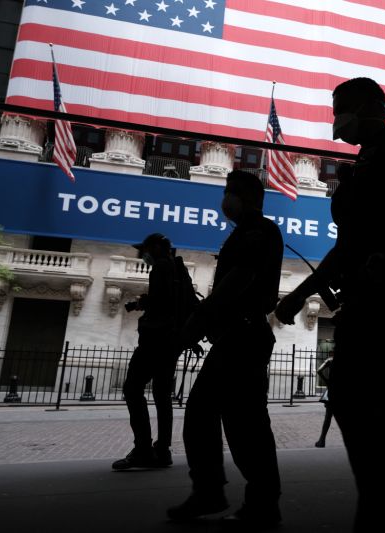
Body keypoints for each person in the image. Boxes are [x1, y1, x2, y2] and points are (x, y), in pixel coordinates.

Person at [275, 77, 385, 533]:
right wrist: (299, 293)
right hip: (360, 300)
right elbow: (346, 249)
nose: (338, 119)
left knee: (383, 409)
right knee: (353, 402)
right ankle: (380, 505)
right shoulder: (360, 166)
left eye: (342, 108)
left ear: (371, 105)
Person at [167, 170, 283, 530]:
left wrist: (199, 319)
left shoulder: (257, 231)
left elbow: (239, 280)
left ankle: (223, 494)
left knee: (226, 418)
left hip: (243, 338)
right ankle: (244, 498)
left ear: (243, 197)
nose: (224, 201)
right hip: (239, 337)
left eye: (228, 193)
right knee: (239, 421)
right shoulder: (250, 231)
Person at [112, 233, 185, 470]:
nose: (143, 255)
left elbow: (160, 302)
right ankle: (162, 451)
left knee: (132, 389)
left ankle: (143, 449)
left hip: (156, 339)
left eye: (144, 250)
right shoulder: (176, 268)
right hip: (171, 340)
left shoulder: (161, 267)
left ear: (154, 247)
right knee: (162, 396)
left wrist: (142, 303)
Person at [314, 354, 334, 448]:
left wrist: (327, 381)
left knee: (328, 417)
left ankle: (322, 440)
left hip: (332, 390)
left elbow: (319, 370)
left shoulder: (330, 360)